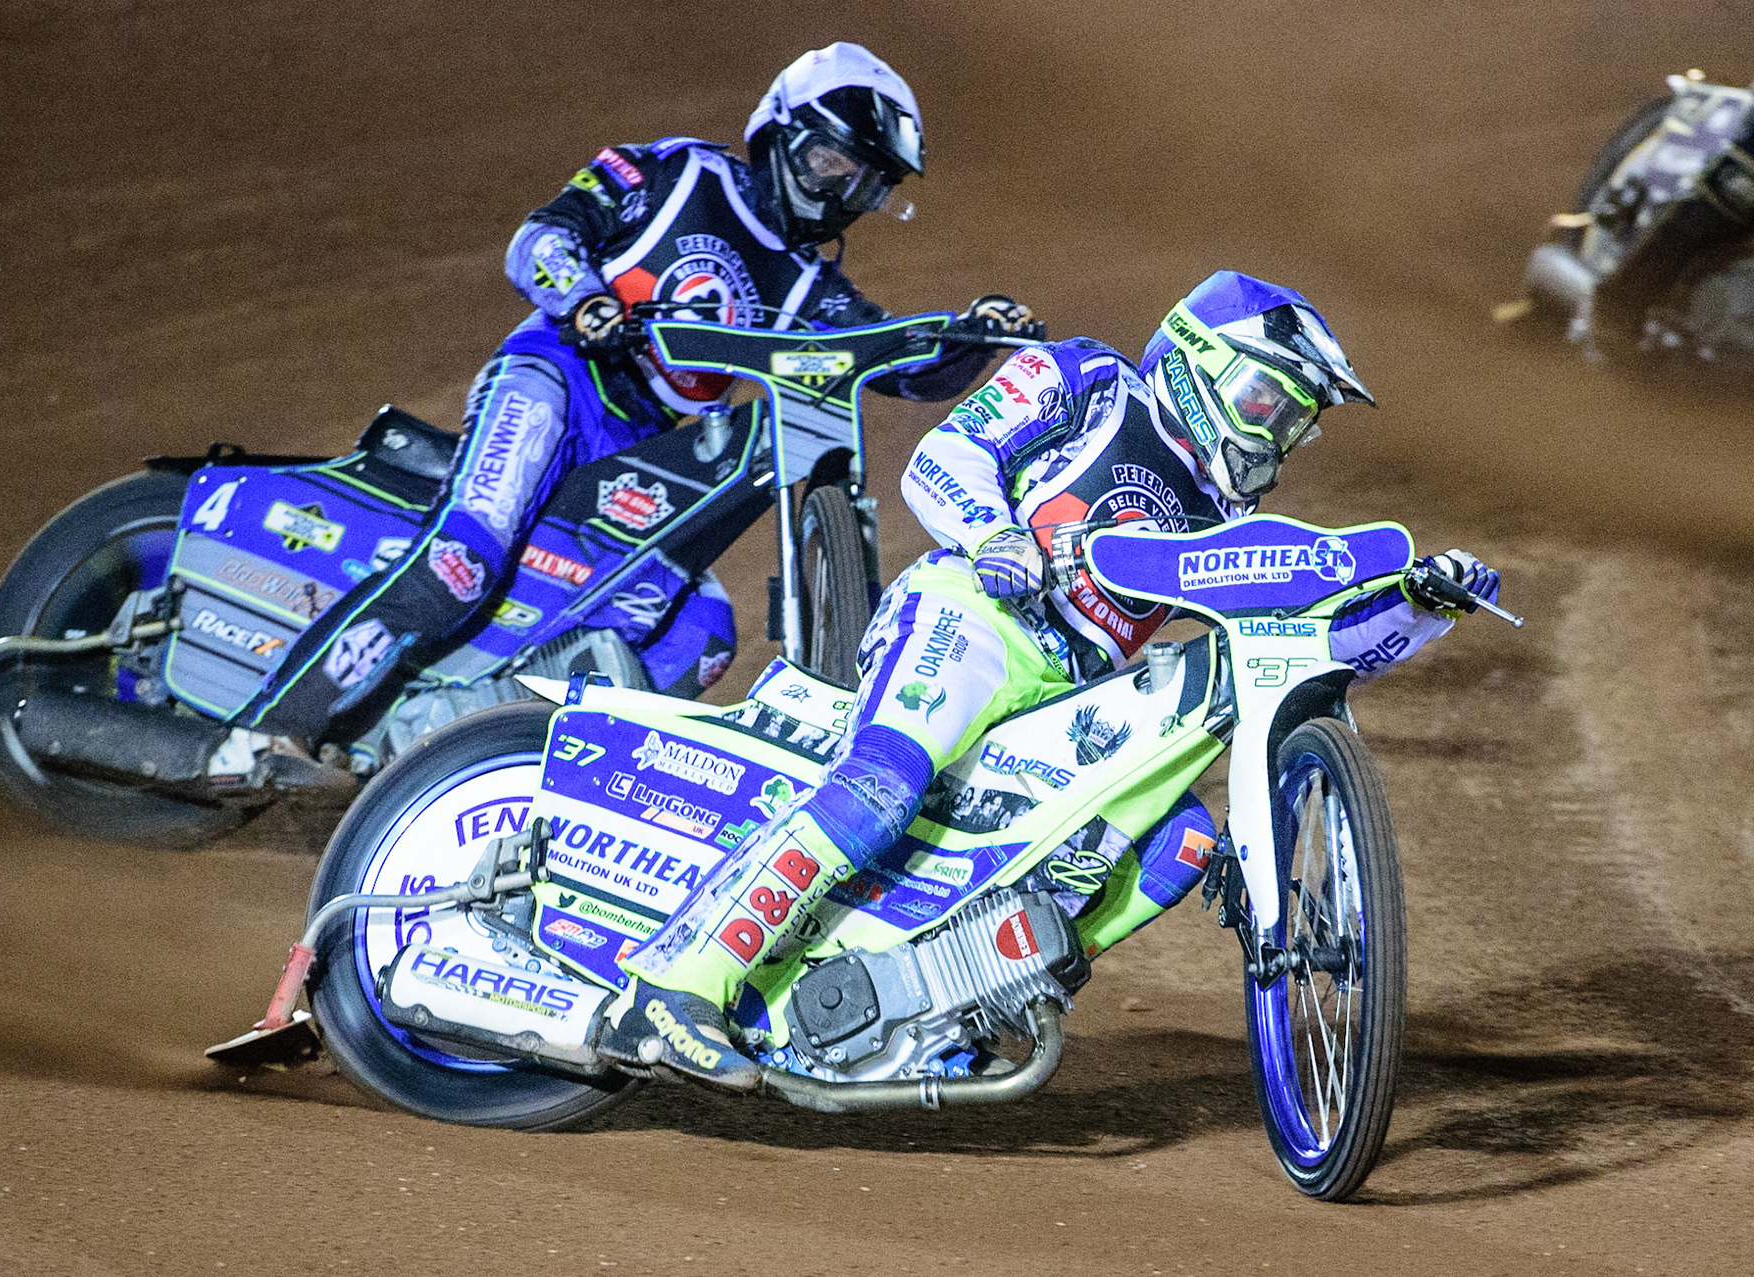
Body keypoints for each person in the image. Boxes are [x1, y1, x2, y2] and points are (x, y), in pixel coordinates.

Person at [601, 269, 1500, 1088]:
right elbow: (943, 458)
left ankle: (950, 999)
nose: (1278, 433)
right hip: (974, 617)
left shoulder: (1228, 514)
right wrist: (999, 537)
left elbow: (1310, 646)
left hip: (1074, 692)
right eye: (1269, 399)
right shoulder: (1093, 380)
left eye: (1295, 420)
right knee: (882, 785)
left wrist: (1424, 603)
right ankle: (671, 990)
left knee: (1177, 840)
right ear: (1202, 363)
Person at [218, 42, 1035, 779]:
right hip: (555, 382)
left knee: (703, 628)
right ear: (782, 132)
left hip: (638, 453)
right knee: (465, 554)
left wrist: (974, 338)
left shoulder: (811, 289)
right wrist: (580, 298)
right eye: (832, 162)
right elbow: (541, 235)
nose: (842, 193)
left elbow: (894, 362)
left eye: (866, 183)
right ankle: (267, 730)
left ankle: (477, 759)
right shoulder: (677, 173)